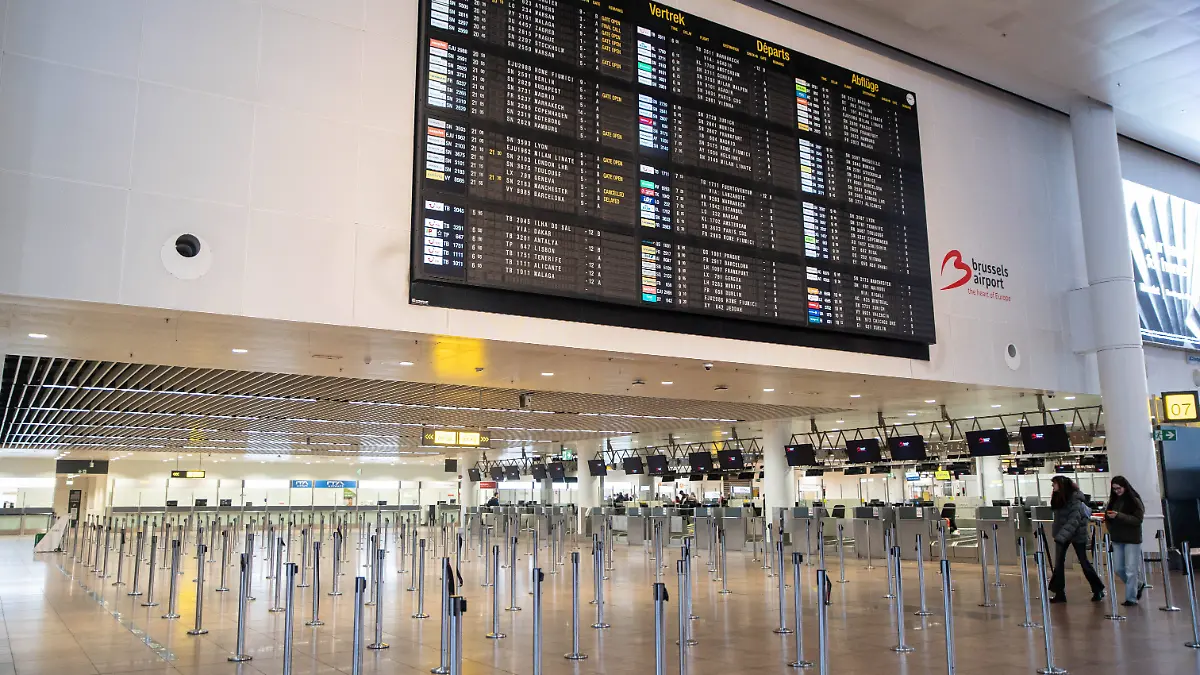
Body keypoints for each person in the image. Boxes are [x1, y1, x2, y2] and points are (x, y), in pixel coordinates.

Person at [1047, 475, 1104, 603]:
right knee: (1059, 564)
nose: (1052, 486)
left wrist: (1061, 535)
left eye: (1054, 484)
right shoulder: (1059, 498)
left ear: (1061, 485)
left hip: (1077, 534)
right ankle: (1059, 593)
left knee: (1084, 562)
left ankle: (1097, 589)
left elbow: (1074, 520)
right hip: (1063, 533)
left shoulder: (1075, 499)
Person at [1104, 475, 1146, 606]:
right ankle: (1138, 585)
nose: (1117, 491)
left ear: (1125, 487)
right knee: (1118, 568)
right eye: (1114, 489)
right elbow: (1108, 518)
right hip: (1117, 539)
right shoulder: (1113, 501)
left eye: (1119, 488)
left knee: (1131, 569)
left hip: (1132, 540)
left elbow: (1137, 520)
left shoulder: (1134, 501)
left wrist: (1119, 516)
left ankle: (1131, 598)